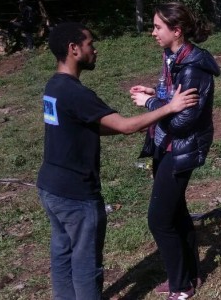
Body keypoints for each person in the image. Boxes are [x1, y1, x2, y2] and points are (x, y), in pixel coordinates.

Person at [38, 22, 199, 300]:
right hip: (76, 193)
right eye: (90, 44)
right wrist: (170, 107)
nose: (95, 50)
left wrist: (130, 123)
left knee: (62, 254)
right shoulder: (77, 94)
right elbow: (125, 126)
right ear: (73, 49)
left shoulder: (54, 87)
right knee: (86, 263)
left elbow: (89, 125)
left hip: (50, 187)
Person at [129, 2, 220, 300]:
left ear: (176, 31)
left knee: (159, 219)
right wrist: (157, 94)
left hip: (179, 147)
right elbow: (174, 99)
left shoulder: (193, 68)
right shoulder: (172, 57)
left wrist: (150, 105)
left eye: (158, 27)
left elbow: (183, 121)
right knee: (176, 211)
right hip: (163, 144)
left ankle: (181, 288)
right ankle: (190, 274)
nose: (152, 32)